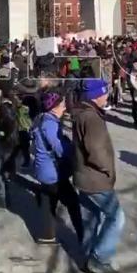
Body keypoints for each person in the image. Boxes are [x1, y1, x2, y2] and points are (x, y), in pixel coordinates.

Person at [72, 79, 124, 273]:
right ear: (95, 96)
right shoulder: (92, 118)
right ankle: (100, 257)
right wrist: (107, 169)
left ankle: (86, 257)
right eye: (104, 93)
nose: (106, 96)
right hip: (95, 179)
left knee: (90, 217)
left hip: (83, 177)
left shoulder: (81, 114)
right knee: (116, 217)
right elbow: (96, 151)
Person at [32, 92, 83, 244]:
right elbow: (60, 149)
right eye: (62, 105)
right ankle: (82, 235)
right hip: (52, 172)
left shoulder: (41, 118)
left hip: (43, 168)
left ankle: (46, 235)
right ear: (54, 108)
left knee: (50, 203)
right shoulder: (50, 124)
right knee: (72, 201)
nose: (65, 107)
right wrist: (74, 148)